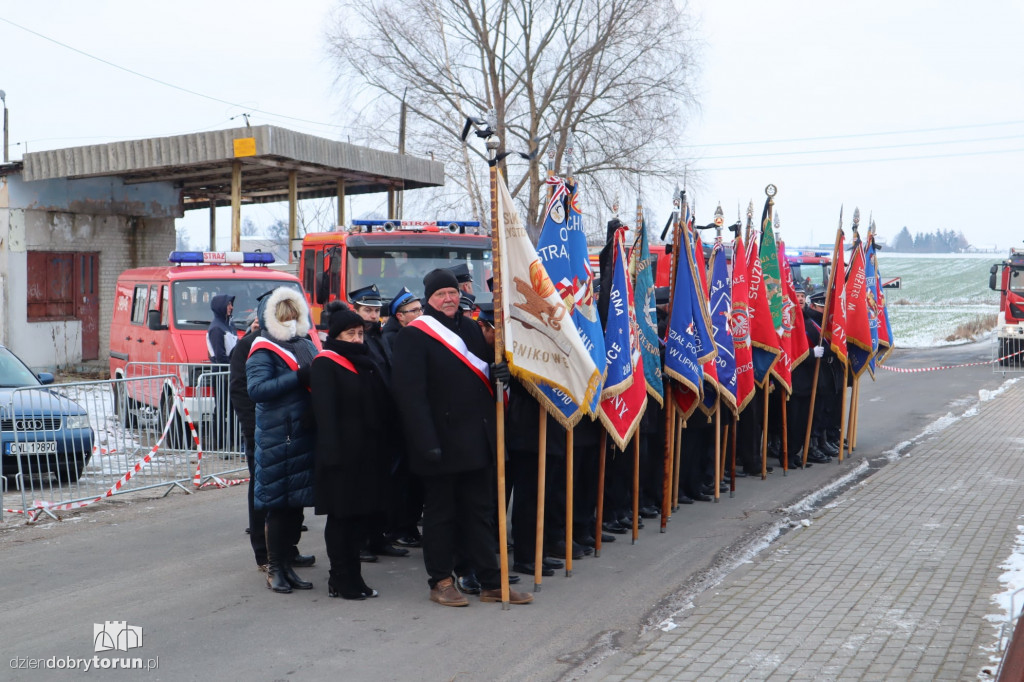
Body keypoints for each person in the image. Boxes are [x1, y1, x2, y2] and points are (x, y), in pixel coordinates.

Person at [391, 268, 533, 606]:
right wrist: (425, 443)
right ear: (429, 300)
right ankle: (440, 580)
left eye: (452, 293)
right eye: (441, 294)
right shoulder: (413, 336)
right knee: (441, 516)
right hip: (440, 442)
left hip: (477, 440)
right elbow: (410, 397)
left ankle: (489, 581)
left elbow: (484, 375)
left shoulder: (469, 328)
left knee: (480, 512)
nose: (449, 298)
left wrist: (504, 374)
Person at [311, 308, 392, 600]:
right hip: (340, 458)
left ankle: (355, 578)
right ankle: (339, 578)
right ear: (336, 336)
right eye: (350, 334)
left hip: (366, 455)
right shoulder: (325, 363)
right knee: (341, 520)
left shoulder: (364, 362)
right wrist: (334, 457)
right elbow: (325, 415)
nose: (357, 339)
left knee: (358, 520)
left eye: (360, 333)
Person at [230, 306, 316, 574]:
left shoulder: (303, 344)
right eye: (283, 315)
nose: (290, 321)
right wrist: (253, 430)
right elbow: (243, 391)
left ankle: (289, 550)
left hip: (297, 431)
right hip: (266, 432)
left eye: (294, 315)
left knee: (294, 495)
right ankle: (265, 555)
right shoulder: (250, 346)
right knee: (266, 498)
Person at [349, 283, 408, 561]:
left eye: (375, 310)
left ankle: (378, 537)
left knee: (384, 485)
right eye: (367, 310)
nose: (373, 315)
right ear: (356, 310)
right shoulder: (356, 339)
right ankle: (359, 541)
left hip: (386, 419)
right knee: (364, 487)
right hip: (367, 422)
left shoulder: (379, 336)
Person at [382, 287, 422, 351]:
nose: (421, 314)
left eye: (420, 309)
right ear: (400, 316)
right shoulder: (390, 340)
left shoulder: (418, 333)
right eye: (415, 311)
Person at [206, 294, 236, 364]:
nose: (231, 307)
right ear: (220, 306)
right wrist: (235, 367)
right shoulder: (216, 328)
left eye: (231, 304)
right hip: (223, 372)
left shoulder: (230, 324)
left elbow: (238, 346)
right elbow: (220, 358)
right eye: (228, 304)